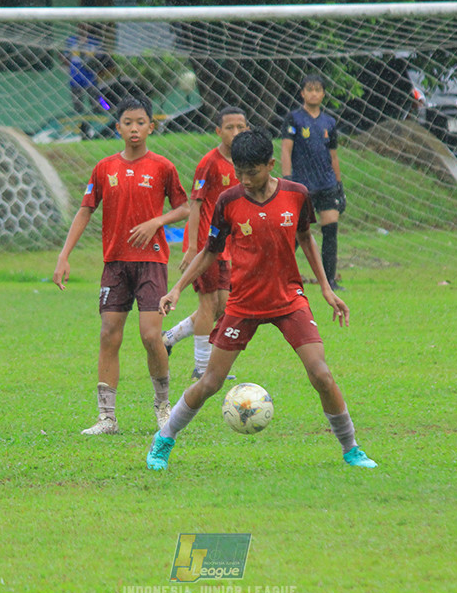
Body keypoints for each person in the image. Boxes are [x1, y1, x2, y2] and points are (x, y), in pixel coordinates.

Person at [146, 129, 376, 471]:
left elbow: (307, 240)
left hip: (288, 299)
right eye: (239, 172)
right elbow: (210, 252)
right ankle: (163, 440)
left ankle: (351, 448)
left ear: (270, 165)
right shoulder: (229, 201)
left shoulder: (296, 195)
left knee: (321, 375)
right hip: (244, 304)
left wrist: (326, 289)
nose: (245, 179)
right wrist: (177, 288)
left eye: (252, 171)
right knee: (210, 382)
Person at [53, 97, 191, 435]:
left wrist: (156, 221)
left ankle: (163, 409)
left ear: (151, 127)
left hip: (151, 261)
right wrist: (64, 255)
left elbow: (185, 208)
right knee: (108, 335)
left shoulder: (162, 167)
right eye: (128, 122)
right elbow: (85, 209)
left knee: (150, 335)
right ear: (118, 127)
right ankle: (107, 418)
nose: (134, 128)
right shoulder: (104, 168)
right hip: (115, 264)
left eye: (140, 122)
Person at [162, 106, 248, 379]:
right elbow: (196, 205)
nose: (236, 132)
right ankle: (202, 366)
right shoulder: (209, 162)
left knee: (222, 306)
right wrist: (191, 248)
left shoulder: (245, 162)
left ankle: (170, 337)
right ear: (218, 131)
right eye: (230, 128)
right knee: (209, 304)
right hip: (204, 241)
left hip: (227, 244)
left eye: (241, 127)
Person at [280, 74, 346, 290]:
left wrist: (339, 185)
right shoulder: (294, 119)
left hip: (327, 183)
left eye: (318, 90)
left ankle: (329, 280)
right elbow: (286, 150)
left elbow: (333, 155)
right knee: (297, 233)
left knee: (330, 230)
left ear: (323, 94)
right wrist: (287, 180)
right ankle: (279, 276)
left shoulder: (330, 122)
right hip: (302, 185)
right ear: (302, 93)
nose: (314, 93)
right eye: (310, 89)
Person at [64, 24, 105, 138]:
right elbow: (64, 56)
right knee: (77, 104)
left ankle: (106, 110)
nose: (83, 31)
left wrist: (92, 61)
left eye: (85, 29)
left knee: (97, 100)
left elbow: (101, 57)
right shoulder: (71, 40)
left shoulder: (94, 42)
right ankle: (80, 129)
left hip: (90, 76)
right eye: (81, 28)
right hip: (75, 77)